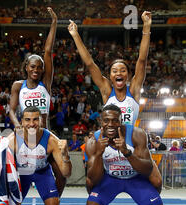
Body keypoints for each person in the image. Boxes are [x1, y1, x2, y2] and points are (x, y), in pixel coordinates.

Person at [68, 11, 163, 193]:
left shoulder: (133, 90)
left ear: (127, 75)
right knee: (91, 181)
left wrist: (147, 26)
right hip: (109, 138)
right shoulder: (106, 90)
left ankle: (149, 202)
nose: (118, 73)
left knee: (157, 182)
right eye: (114, 70)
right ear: (110, 76)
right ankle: (94, 200)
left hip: (131, 139)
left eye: (122, 70)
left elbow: (141, 60)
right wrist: (75, 35)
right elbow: (89, 64)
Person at [8, 7, 66, 198]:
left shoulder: (45, 84)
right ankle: (9, 204)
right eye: (33, 66)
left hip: (45, 136)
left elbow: (48, 51)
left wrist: (54, 23)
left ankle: (54, 199)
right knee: (11, 174)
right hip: (25, 136)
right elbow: (11, 109)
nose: (37, 70)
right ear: (26, 67)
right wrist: (17, 126)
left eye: (40, 68)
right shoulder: (18, 86)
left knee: (62, 173)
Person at [5, 106, 72, 205]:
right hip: (22, 174)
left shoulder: (52, 140)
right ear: (21, 122)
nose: (32, 123)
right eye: (27, 120)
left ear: (41, 120)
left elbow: (66, 173)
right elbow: (0, 168)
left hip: (42, 173)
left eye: (36, 119)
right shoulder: (12, 139)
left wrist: (66, 155)